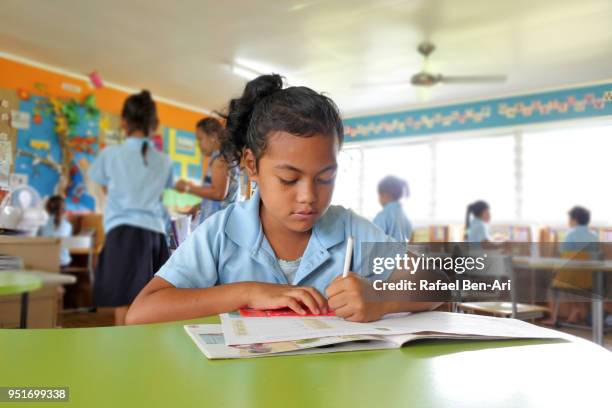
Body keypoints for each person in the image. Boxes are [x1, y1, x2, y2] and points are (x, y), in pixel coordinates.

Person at [126, 75, 440, 325]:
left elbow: (441, 279)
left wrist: (383, 298)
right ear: (252, 166)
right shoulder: (221, 233)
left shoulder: (349, 230)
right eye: (288, 179)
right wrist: (248, 292)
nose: (308, 197)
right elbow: (141, 312)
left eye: (325, 178)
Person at [89, 90, 174, 326]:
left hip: (125, 233)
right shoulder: (164, 160)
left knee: (125, 305)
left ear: (124, 121)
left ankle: (122, 357)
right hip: (155, 235)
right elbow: (162, 196)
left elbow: (99, 185)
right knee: (152, 303)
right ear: (154, 124)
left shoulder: (111, 154)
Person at [175, 117, 239, 224]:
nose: (198, 144)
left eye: (200, 139)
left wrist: (188, 187)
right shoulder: (218, 158)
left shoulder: (220, 159)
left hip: (219, 226)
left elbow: (218, 193)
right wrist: (197, 207)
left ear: (213, 136)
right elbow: (213, 192)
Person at [544, 206, 600, 325]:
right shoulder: (594, 235)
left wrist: (556, 269)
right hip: (588, 278)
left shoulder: (570, 234)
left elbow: (564, 255)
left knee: (552, 287)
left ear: (575, 219)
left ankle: (553, 318)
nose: (568, 221)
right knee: (573, 287)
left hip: (570, 276)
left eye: (569, 218)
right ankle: (575, 310)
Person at [373, 175, 412, 242]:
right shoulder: (404, 215)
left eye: (379, 195)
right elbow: (410, 237)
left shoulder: (382, 216)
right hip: (402, 252)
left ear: (386, 195)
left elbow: (373, 240)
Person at [38, 195, 72, 267]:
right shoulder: (68, 226)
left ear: (47, 209)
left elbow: (37, 243)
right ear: (64, 209)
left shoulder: (42, 225)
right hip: (63, 263)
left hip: (47, 262)